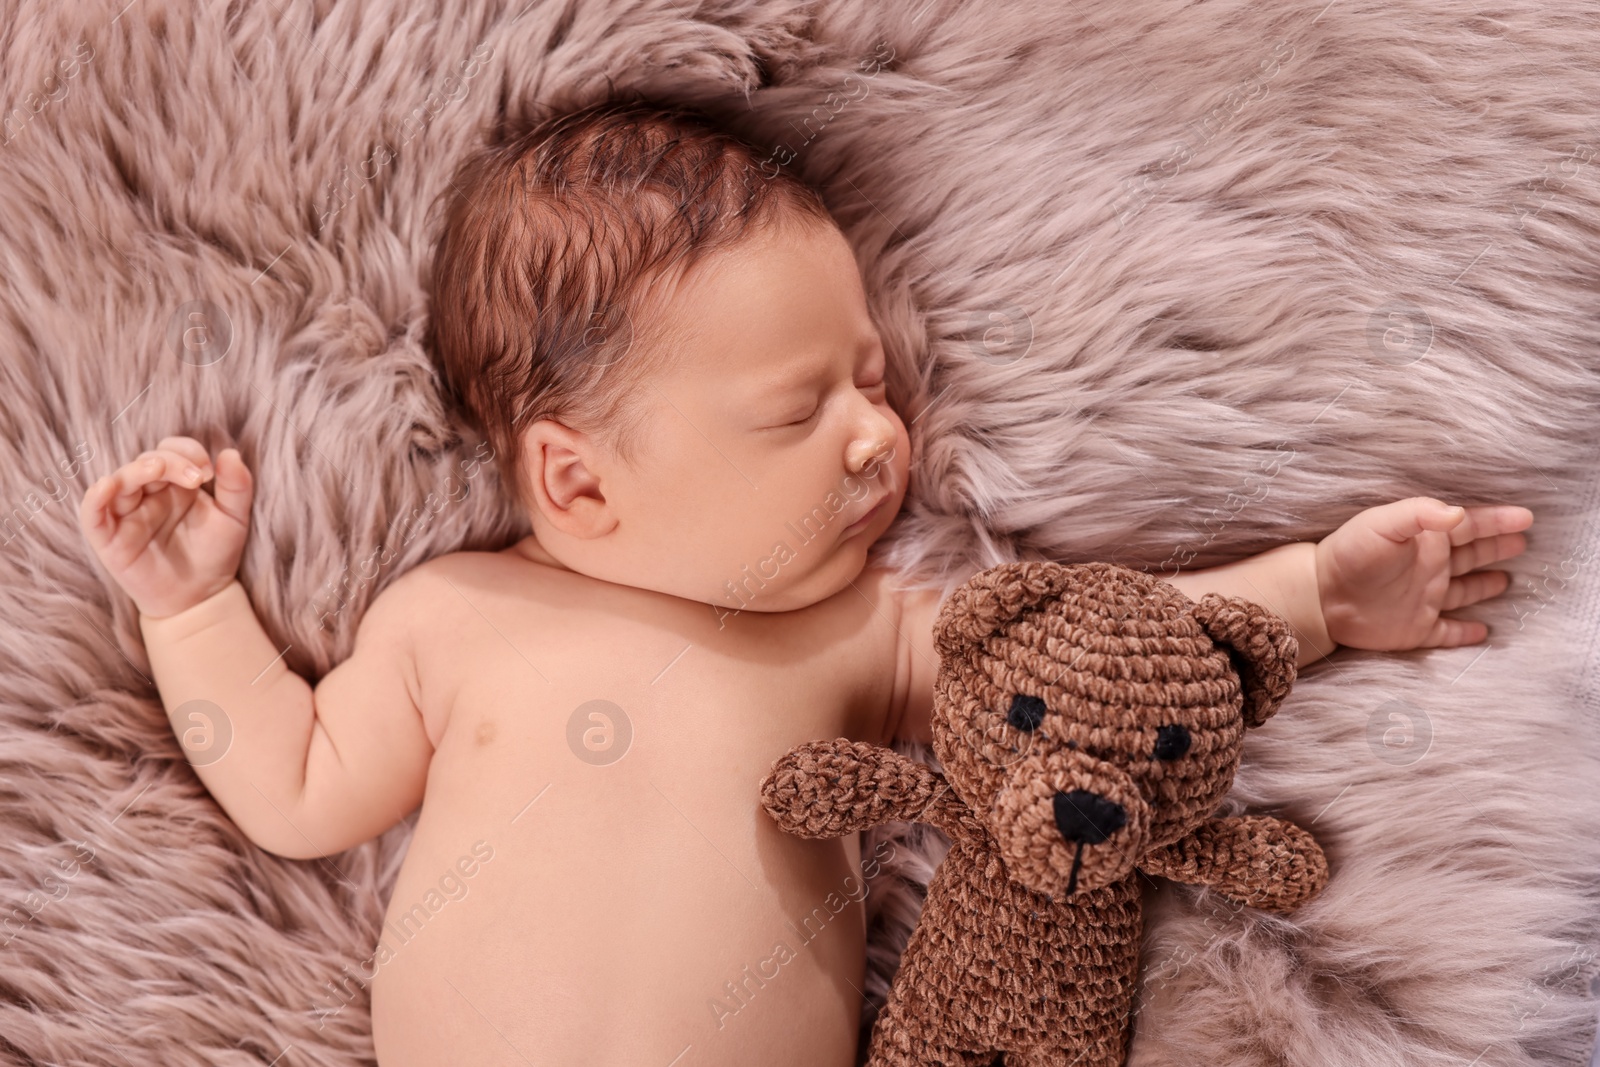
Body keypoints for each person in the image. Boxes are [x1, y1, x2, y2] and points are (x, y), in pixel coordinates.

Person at [77, 98, 1533, 1066]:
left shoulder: (853, 636)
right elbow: (292, 791)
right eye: (797, 410)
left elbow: (1097, 654)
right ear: (576, 480)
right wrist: (194, 607)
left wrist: (1321, 597)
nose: (878, 435)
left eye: (875, 381)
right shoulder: (448, 622)